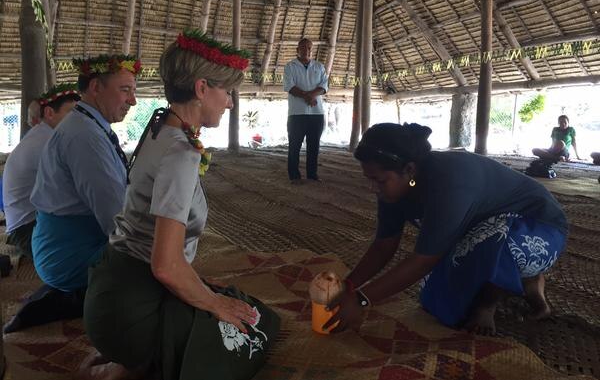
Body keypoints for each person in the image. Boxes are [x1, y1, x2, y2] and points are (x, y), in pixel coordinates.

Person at [81, 30, 280, 380]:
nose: (231, 103)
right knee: (253, 328)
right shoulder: (181, 153)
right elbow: (166, 267)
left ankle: (131, 359)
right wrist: (216, 305)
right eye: (227, 92)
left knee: (235, 304)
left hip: (111, 292)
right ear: (202, 89)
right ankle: (134, 360)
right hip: (131, 312)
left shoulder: (159, 125)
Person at [324, 123, 568, 336]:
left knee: (492, 237)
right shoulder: (393, 187)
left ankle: (491, 301)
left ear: (409, 170)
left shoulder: (448, 181)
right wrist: (349, 286)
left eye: (378, 180)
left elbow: (423, 260)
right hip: (482, 229)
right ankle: (522, 280)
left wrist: (361, 301)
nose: (372, 188)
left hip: (540, 229)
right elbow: (384, 245)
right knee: (436, 300)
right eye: (369, 179)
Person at [3, 55, 140, 334]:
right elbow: (114, 220)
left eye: (133, 91)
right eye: (125, 90)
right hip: (68, 254)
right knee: (158, 266)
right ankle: (75, 297)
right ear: (95, 87)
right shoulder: (84, 136)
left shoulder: (89, 126)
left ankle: (75, 292)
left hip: (61, 245)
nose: (133, 100)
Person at [2, 83, 80, 258]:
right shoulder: (48, 141)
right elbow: (74, 186)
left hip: (26, 224)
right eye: (71, 113)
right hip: (26, 230)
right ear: (50, 113)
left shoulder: (42, 135)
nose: (77, 119)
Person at [283, 38, 328, 183]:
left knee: (314, 145)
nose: (306, 50)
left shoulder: (319, 66)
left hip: (317, 113)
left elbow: (324, 86)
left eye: (309, 48)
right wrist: (308, 96)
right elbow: (290, 86)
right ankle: (294, 176)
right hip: (296, 113)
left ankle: (312, 174)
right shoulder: (290, 66)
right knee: (294, 145)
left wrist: (311, 95)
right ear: (297, 49)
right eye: (303, 48)